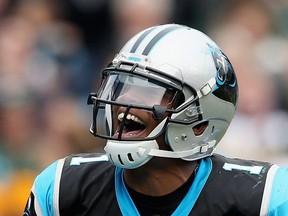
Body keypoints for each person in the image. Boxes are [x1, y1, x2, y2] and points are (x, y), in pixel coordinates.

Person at [23, 24, 288, 216]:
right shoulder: (63, 189)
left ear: (200, 123)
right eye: (121, 84)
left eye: (149, 90)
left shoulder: (264, 199)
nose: (124, 100)